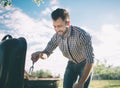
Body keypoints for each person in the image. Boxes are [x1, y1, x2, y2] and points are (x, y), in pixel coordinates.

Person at [31, 8, 94, 88]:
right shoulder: (56, 37)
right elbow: (47, 52)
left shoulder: (82, 35)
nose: (57, 30)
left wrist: (81, 83)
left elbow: (90, 60)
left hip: (85, 64)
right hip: (71, 64)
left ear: (67, 23)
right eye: (55, 26)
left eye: (60, 26)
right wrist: (40, 54)